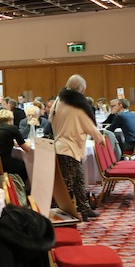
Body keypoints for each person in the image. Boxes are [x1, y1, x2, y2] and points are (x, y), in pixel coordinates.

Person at [49, 74, 105, 220]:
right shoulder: (76, 105)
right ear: (80, 89)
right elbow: (88, 125)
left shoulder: (58, 101)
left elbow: (51, 119)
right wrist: (100, 138)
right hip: (69, 147)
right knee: (67, 184)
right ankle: (60, 213)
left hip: (61, 145)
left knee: (78, 181)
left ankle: (85, 209)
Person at [0, 109, 31, 182]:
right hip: (5, 163)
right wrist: (29, 144)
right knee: (23, 166)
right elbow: (26, 148)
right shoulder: (12, 128)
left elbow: (0, 141)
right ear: (11, 119)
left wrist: (13, 143)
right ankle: (19, 186)